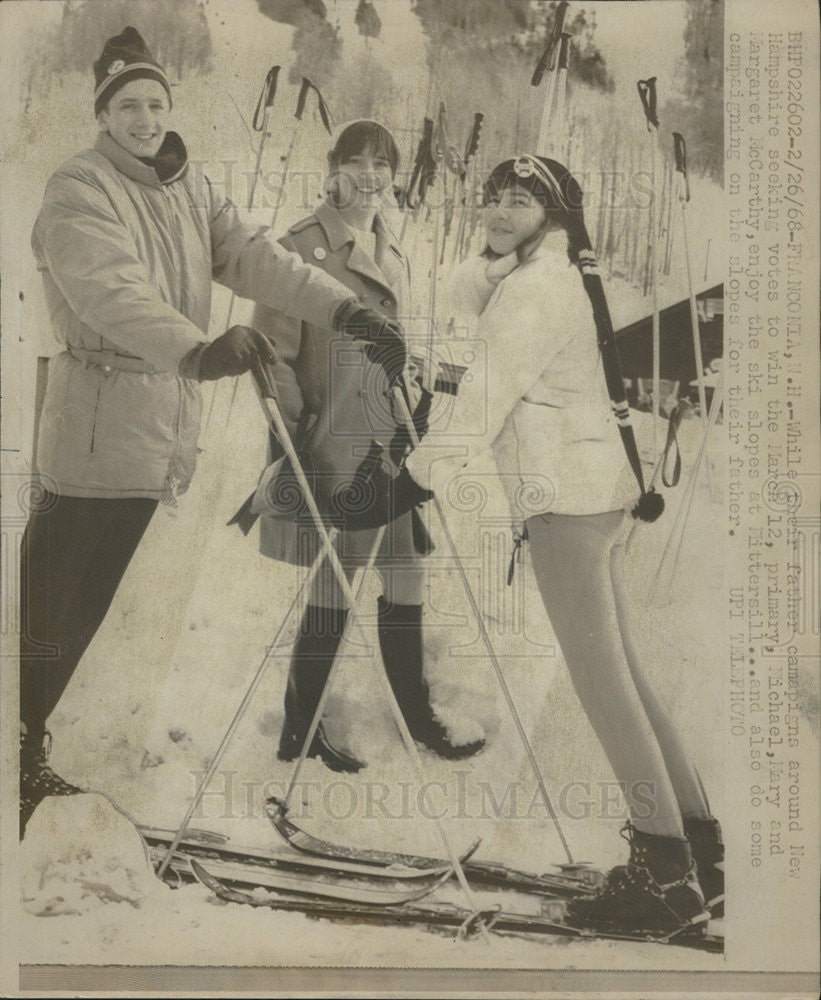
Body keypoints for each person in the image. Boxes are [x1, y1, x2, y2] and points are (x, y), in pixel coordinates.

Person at [19, 27, 402, 837]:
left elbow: (258, 258)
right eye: (128, 105)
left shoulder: (190, 187)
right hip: (93, 425)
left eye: (156, 103)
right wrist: (200, 349)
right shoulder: (77, 188)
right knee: (50, 605)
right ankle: (18, 748)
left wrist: (345, 307)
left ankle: (33, 746)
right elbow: (110, 292)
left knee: (93, 603)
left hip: (156, 429)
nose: (145, 119)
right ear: (103, 111)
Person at [343, 154, 724, 934]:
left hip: (565, 502)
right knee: (625, 675)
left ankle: (665, 877)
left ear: (551, 218)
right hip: (590, 493)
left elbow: (482, 397)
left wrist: (412, 478)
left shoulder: (535, 291)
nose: (497, 211)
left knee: (601, 685)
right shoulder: (530, 281)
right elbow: (469, 364)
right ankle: (699, 850)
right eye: (492, 198)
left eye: (519, 202)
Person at [237, 119, 485, 772]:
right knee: (332, 583)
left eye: (383, 163)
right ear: (334, 168)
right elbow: (270, 354)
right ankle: (300, 730)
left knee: (405, 573)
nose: (371, 175)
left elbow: (397, 343)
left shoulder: (392, 247)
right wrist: (298, 432)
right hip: (329, 444)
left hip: (389, 444)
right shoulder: (296, 247)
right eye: (358, 161)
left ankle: (415, 716)